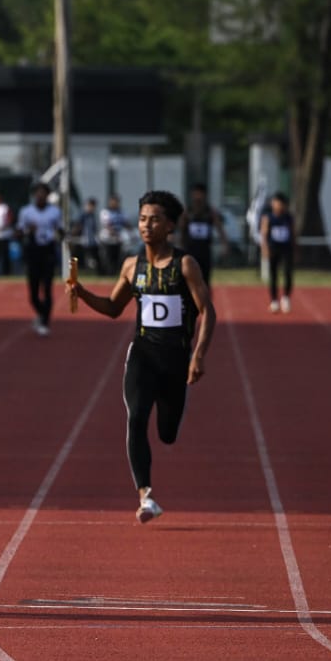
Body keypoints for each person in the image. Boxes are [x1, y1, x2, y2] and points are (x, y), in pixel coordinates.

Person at [65, 190, 215, 524]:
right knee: (135, 417)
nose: (147, 225)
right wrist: (83, 293)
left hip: (176, 359)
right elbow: (113, 309)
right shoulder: (132, 266)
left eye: (155, 219)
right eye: (143, 218)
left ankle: (172, 406)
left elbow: (208, 312)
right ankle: (146, 495)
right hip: (143, 354)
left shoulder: (185, 265)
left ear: (170, 225)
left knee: (167, 433)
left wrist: (199, 356)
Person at [16, 183, 62, 336]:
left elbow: (60, 230)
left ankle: (44, 321)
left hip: (48, 250)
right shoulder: (26, 212)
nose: (40, 196)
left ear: (48, 195)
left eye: (43, 193)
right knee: (33, 293)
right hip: (33, 250)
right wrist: (28, 230)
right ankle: (42, 313)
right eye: (38, 193)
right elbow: (19, 233)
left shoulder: (54, 211)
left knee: (47, 288)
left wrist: (62, 233)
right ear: (34, 195)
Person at [177, 183, 226, 287]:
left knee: (204, 280)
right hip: (190, 251)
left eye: (200, 194)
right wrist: (180, 247)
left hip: (204, 251)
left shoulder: (210, 213)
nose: (198, 197)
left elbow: (220, 229)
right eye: (196, 194)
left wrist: (224, 244)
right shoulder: (187, 212)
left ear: (205, 195)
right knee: (187, 279)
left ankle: (205, 300)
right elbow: (181, 230)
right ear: (192, 195)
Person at [260, 192, 294, 313]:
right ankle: (274, 300)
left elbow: (293, 233)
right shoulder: (268, 217)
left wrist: (296, 248)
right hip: (273, 248)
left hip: (286, 249)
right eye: (276, 203)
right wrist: (265, 249)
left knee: (288, 272)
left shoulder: (288, 217)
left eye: (281, 203)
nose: (278, 205)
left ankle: (286, 297)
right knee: (273, 275)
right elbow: (264, 234)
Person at [98, 195, 128, 276]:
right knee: (107, 257)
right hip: (107, 238)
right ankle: (107, 273)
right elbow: (107, 224)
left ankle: (114, 273)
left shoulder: (121, 212)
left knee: (116, 257)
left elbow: (125, 222)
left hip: (117, 239)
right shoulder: (105, 212)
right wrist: (114, 232)